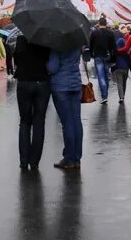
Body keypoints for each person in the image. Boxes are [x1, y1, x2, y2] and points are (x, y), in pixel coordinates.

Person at [14, 36, 51, 170]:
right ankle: (34, 162)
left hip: (24, 82)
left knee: (24, 122)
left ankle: (24, 160)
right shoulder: (46, 39)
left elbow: (16, 59)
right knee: (39, 122)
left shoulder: (20, 39)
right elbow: (49, 60)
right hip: (42, 82)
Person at [48, 45, 83, 170]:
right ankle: (77, 158)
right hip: (76, 85)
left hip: (61, 86)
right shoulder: (76, 45)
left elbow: (53, 67)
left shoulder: (57, 45)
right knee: (76, 121)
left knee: (67, 123)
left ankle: (68, 158)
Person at [88, 17, 116, 104]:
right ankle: (105, 94)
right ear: (106, 23)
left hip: (98, 56)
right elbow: (113, 47)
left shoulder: (94, 33)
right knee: (106, 74)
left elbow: (91, 45)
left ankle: (104, 96)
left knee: (101, 76)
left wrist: (91, 54)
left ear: (99, 23)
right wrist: (113, 58)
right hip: (107, 56)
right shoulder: (111, 33)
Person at [112, 37, 130, 104]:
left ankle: (121, 97)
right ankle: (123, 95)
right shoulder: (126, 51)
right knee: (124, 83)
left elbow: (112, 59)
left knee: (119, 83)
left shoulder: (116, 51)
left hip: (118, 68)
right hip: (125, 69)